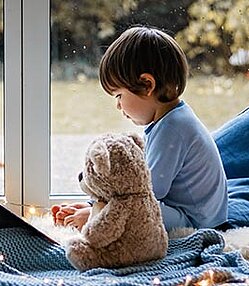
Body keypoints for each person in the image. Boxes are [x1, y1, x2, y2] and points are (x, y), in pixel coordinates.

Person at [52, 26, 228, 231]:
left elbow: (148, 191)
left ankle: (96, 217)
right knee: (130, 204)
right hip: (194, 213)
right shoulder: (171, 119)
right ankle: (95, 210)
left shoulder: (173, 128)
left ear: (147, 85)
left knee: (135, 208)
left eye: (119, 95)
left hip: (196, 222)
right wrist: (95, 203)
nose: (118, 105)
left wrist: (99, 210)